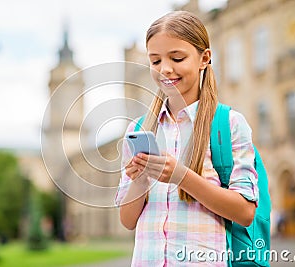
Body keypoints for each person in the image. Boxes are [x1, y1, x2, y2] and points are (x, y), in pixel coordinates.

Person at [115, 11, 259, 266]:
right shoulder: (138, 129)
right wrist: (139, 180)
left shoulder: (229, 124)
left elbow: (245, 212)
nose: (165, 69)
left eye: (177, 58)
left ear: (204, 58)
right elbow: (127, 221)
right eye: (155, 61)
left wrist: (181, 176)